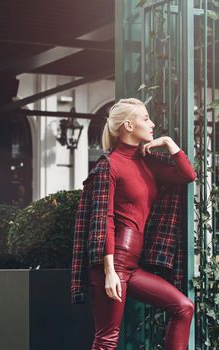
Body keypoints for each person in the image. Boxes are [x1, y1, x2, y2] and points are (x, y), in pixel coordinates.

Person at [70, 98, 197, 350]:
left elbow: (187, 175)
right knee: (107, 338)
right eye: (145, 118)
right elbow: (102, 219)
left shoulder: (146, 163)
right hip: (112, 262)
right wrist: (108, 271)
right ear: (128, 125)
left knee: (183, 307)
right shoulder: (109, 166)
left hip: (133, 264)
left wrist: (169, 143)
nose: (152, 124)